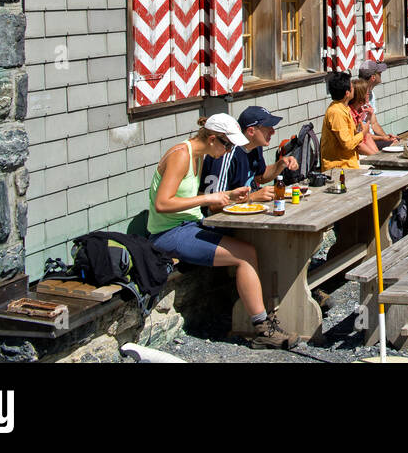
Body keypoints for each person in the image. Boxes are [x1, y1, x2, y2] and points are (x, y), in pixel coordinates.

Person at [146, 113, 294, 349]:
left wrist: (231, 195)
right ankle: (261, 328)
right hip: (169, 232)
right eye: (227, 145)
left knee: (250, 246)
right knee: (245, 254)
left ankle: (268, 311)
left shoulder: (198, 156)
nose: (228, 152)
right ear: (212, 139)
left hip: (189, 225)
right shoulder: (181, 155)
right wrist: (207, 198)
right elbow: (162, 203)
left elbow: (196, 199)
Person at [200, 106, 298, 212]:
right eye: (268, 127)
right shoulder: (226, 152)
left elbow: (260, 177)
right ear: (251, 131)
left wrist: (281, 164)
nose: (273, 131)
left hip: (245, 211)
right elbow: (213, 206)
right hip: (220, 222)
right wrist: (251, 197)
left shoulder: (256, 146)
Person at [321, 71, 365, 168]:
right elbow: (347, 144)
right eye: (352, 87)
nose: (354, 89)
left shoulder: (344, 108)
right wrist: (363, 133)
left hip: (349, 163)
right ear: (347, 93)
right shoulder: (336, 113)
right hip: (340, 167)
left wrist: (359, 126)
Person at [350, 77, 398, 150]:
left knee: (397, 141)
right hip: (360, 145)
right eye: (367, 93)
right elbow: (362, 137)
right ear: (361, 96)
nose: (369, 94)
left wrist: (385, 137)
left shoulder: (362, 109)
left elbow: (368, 132)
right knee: (394, 145)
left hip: (367, 140)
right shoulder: (351, 113)